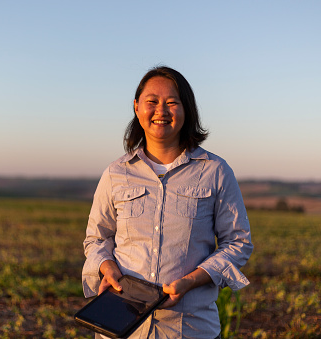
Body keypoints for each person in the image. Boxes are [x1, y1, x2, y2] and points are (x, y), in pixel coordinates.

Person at [82, 66, 253, 339]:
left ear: (187, 111)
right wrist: (106, 267)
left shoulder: (215, 171)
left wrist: (190, 281)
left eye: (172, 102)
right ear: (137, 107)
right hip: (123, 328)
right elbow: (96, 239)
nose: (161, 111)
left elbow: (239, 243)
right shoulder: (116, 174)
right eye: (152, 102)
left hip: (191, 328)